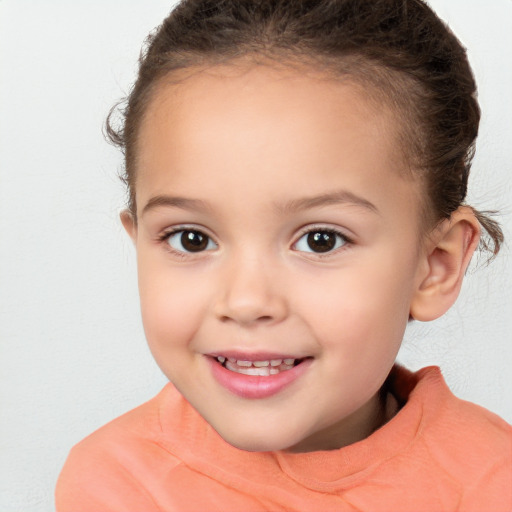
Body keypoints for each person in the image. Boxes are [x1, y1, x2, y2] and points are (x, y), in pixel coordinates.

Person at [55, 0, 511, 510]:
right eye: (192, 239)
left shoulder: (494, 482)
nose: (247, 301)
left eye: (321, 240)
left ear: (435, 266)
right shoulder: (117, 485)